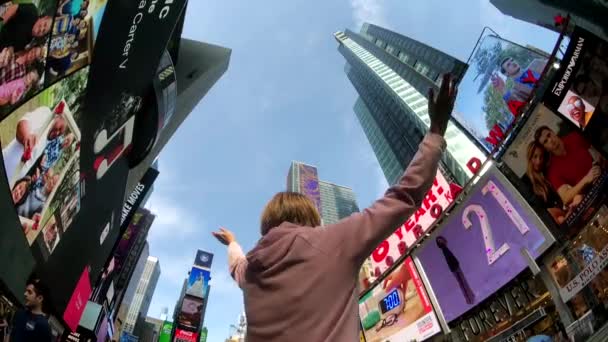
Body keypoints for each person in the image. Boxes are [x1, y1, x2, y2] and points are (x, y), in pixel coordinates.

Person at [212, 73, 457, 341]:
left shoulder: (251, 271)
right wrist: (435, 134)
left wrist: (233, 242)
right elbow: (403, 196)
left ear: (267, 222)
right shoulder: (334, 241)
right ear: (310, 215)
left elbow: (236, 264)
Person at [534, 126, 605, 206]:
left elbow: (596, 152)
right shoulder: (553, 170)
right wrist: (587, 179)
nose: (550, 140)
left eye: (549, 135)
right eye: (545, 141)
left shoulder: (575, 137)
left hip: (603, 174)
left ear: (553, 132)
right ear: (546, 148)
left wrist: (598, 163)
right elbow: (565, 198)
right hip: (592, 195)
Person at [522, 142, 567, 223]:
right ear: (529, 158)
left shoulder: (547, 171)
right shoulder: (525, 182)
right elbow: (540, 210)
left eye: (541, 157)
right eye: (535, 157)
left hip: (564, 208)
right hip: (550, 219)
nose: (538, 161)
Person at [9, 278, 52, 342]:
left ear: (40, 298)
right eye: (26, 291)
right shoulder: (19, 313)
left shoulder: (44, 327)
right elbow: (11, 334)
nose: (25, 294)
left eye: (29, 292)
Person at [435, 236, 475, 305]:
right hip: (454, 268)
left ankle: (470, 297)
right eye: (439, 241)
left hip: (455, 266)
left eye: (441, 240)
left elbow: (451, 257)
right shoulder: (444, 249)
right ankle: (469, 299)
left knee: (463, 283)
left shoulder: (445, 248)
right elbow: (449, 258)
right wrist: (455, 264)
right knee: (462, 283)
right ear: (439, 243)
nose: (441, 241)